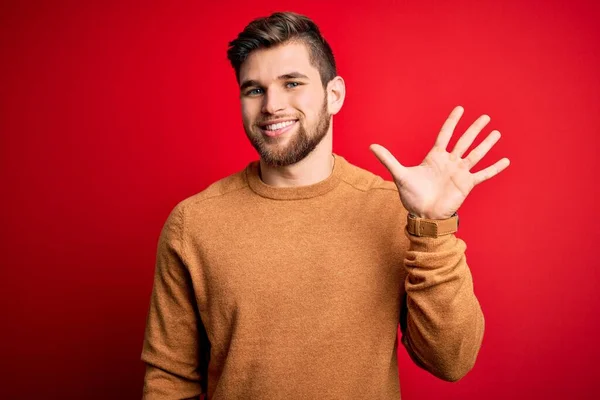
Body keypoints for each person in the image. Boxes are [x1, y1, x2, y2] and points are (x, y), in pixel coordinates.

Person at [141, 11, 510, 400]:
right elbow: (169, 380)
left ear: (334, 95)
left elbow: (451, 360)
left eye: (292, 83)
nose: (272, 105)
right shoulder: (194, 223)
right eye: (254, 90)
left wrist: (434, 226)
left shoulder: (394, 211)